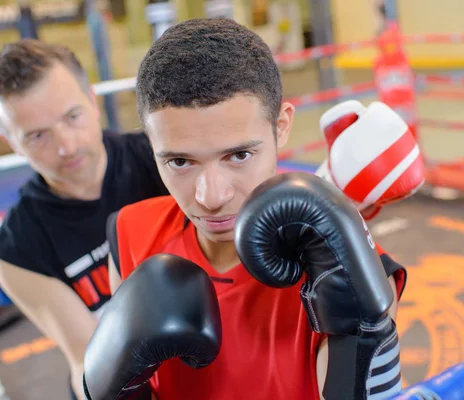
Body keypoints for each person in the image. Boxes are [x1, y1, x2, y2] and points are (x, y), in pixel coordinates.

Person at [83, 18, 417, 399]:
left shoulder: (345, 265)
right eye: (179, 162)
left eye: (239, 155)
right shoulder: (131, 233)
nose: (211, 196)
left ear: (281, 125)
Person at [0, 40, 168, 399]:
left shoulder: (161, 159)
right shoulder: (16, 249)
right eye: (37, 136)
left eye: (72, 117)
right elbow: (86, 358)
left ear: (92, 101)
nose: (65, 146)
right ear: (12, 143)